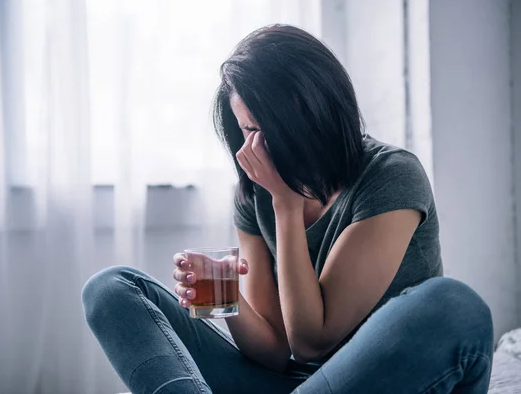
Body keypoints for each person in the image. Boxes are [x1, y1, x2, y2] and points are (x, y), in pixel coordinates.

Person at [82, 25, 494, 394]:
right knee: (111, 288)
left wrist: (286, 205)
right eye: (250, 130)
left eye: (275, 129)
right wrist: (226, 299)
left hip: (379, 379)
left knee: (453, 304)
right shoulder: (254, 195)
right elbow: (277, 351)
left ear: (320, 113)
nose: (263, 146)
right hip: (294, 383)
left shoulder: (391, 175)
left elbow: (313, 341)